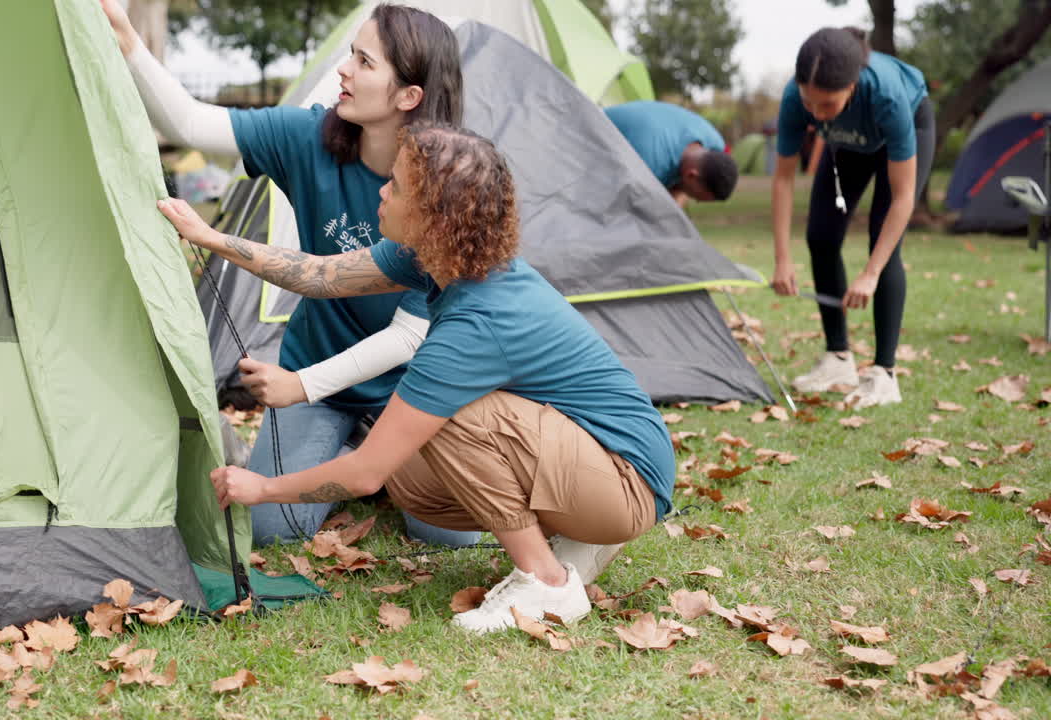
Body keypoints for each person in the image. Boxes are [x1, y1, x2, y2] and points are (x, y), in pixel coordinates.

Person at [156, 123, 676, 633]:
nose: (381, 190)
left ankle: (545, 581)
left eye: (396, 186)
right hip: (595, 459)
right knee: (411, 481)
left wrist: (262, 487)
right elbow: (317, 275)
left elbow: (363, 476)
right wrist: (210, 238)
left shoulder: (476, 323)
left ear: (435, 218)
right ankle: (577, 534)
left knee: (451, 417)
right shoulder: (439, 259)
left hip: (628, 480)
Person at [101, 0, 478, 547]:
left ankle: (370, 464)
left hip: (409, 388)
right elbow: (189, 122)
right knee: (275, 528)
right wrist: (124, 33)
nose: (344, 70)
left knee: (450, 537)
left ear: (408, 96)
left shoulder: (445, 186)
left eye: (364, 62)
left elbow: (407, 338)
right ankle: (357, 464)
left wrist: (298, 384)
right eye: (350, 55)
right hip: (319, 375)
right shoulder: (309, 138)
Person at [769, 27, 934, 408]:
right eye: (811, 103)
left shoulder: (887, 96)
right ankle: (838, 358)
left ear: (854, 85)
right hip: (849, 142)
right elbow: (783, 179)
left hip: (907, 124)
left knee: (884, 243)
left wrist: (871, 273)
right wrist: (781, 258)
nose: (816, 113)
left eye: (827, 105)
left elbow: (904, 197)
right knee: (821, 236)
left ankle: (884, 374)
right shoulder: (797, 98)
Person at [603, 100, 738, 208]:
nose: (694, 200)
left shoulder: (715, 142)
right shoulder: (649, 167)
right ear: (691, 175)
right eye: (696, 197)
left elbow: (676, 195)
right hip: (589, 142)